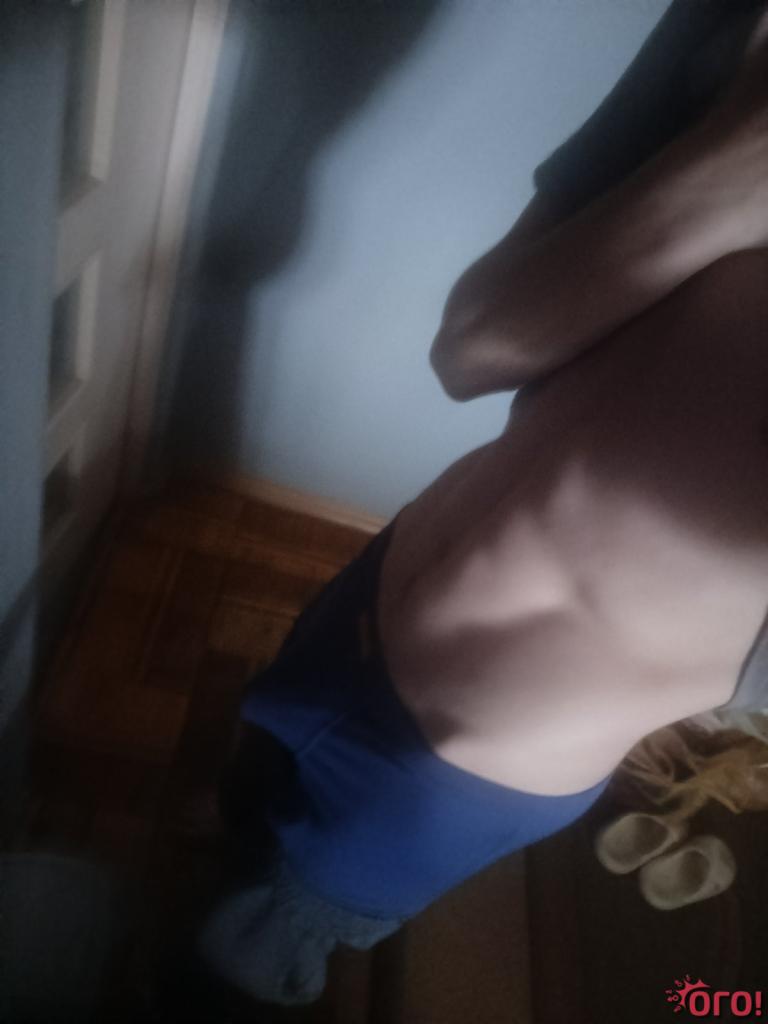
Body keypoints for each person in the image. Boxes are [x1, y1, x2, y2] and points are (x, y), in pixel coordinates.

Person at [167, 0, 768, 1017]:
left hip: (452, 777)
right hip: (375, 590)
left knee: (246, 965)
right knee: (248, 787)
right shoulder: (728, 23)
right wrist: (731, 165)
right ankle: (233, 835)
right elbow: (473, 348)